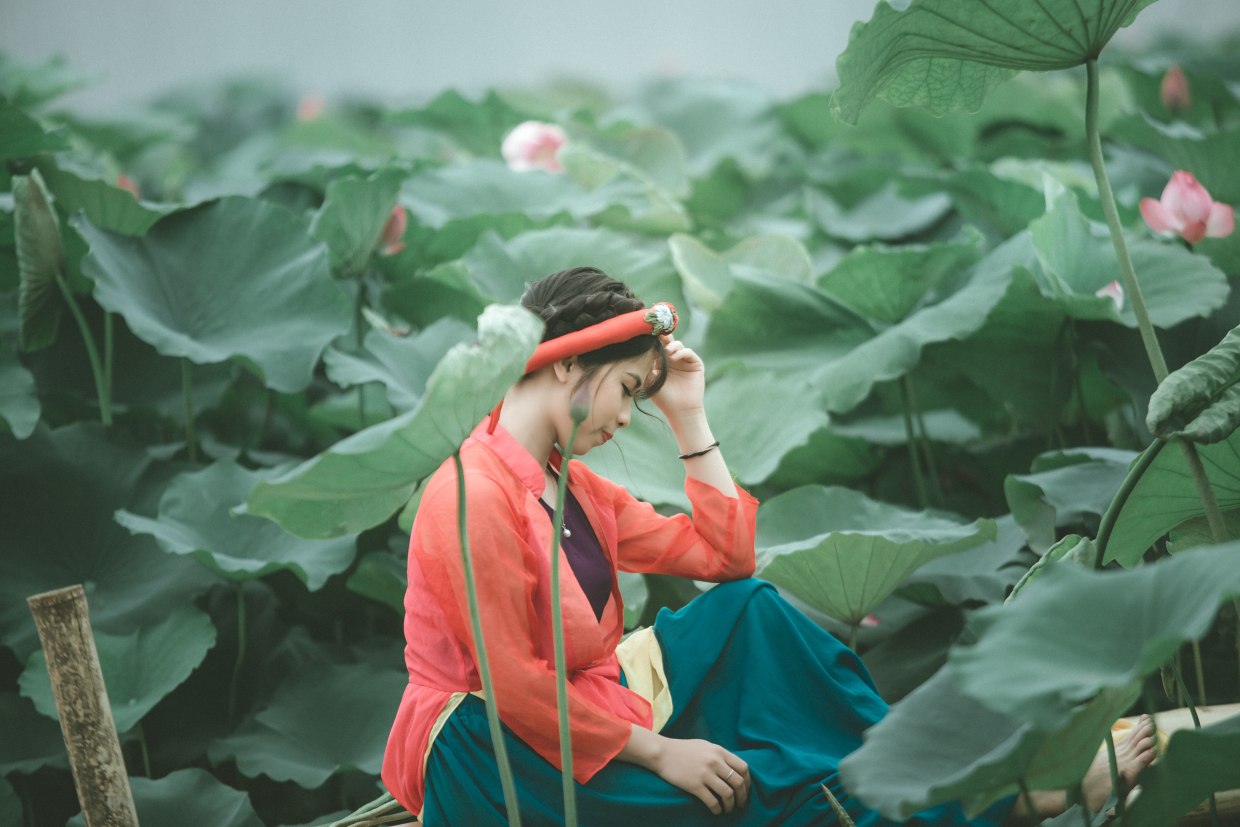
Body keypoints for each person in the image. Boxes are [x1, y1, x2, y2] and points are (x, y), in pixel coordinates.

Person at [381, 267, 1154, 826]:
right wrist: (659, 753)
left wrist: (689, 416)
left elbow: (727, 560)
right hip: (494, 746)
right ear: (570, 364)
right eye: (628, 391)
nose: (625, 419)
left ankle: (917, 772)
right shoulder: (470, 489)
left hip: (593, 694)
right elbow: (514, 687)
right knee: (752, 793)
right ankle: (1005, 797)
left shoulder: (571, 483)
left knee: (752, 610)